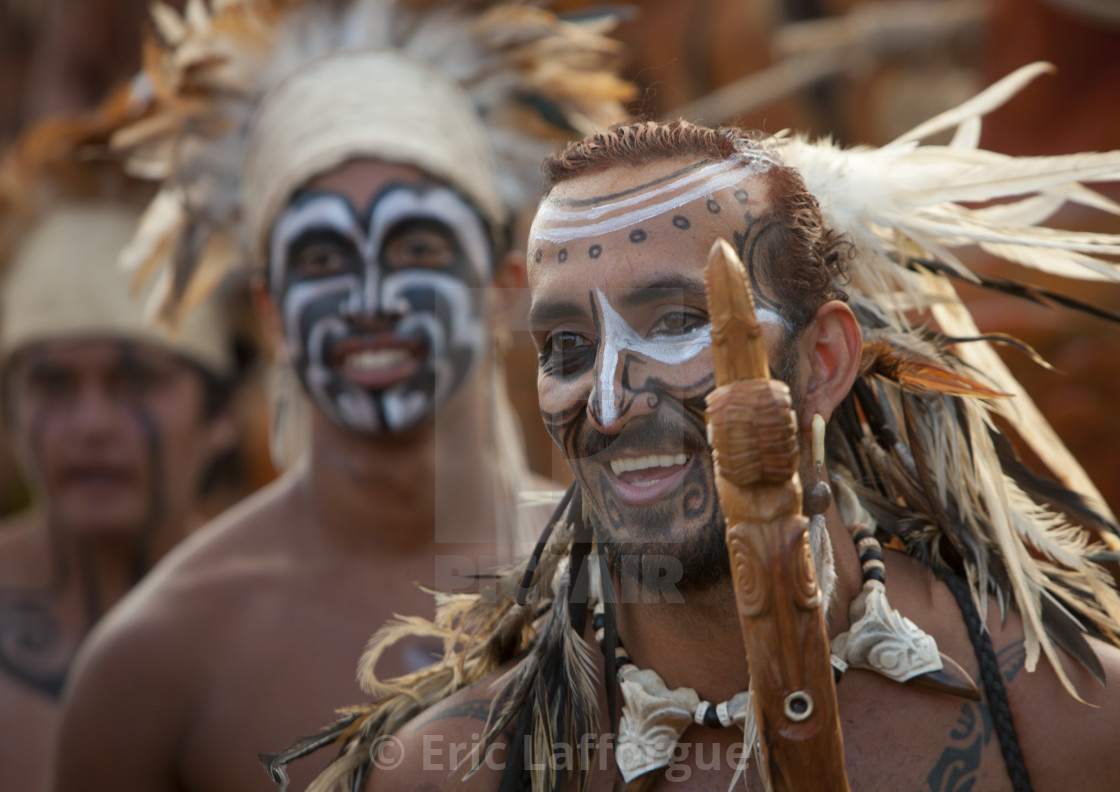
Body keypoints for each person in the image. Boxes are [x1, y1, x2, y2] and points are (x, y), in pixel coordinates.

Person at [298, 64, 1120, 792]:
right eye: (568, 347)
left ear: (826, 360)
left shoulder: (1074, 726)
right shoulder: (454, 772)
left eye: (679, 321)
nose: (610, 403)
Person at [51, 2, 632, 791]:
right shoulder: (156, 660)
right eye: (323, 258)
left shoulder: (636, 588)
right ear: (271, 313)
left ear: (507, 285)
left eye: (416, 247)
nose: (370, 298)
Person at [0, 95, 239, 792]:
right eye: (51, 384)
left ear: (220, 411)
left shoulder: (276, 623)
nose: (92, 424)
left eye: (136, 381)